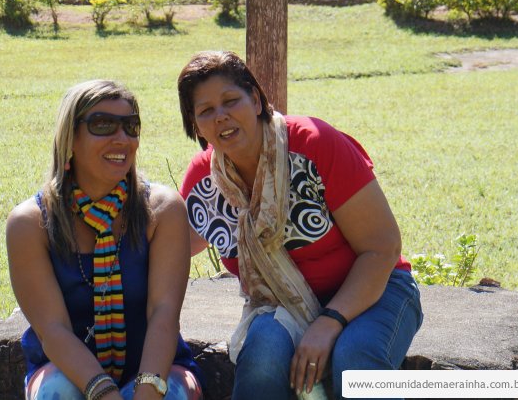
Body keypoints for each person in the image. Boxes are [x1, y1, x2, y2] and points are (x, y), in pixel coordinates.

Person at [177, 51, 422, 400]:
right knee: (262, 358)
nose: (221, 116)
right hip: (280, 305)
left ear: (256, 100)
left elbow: (382, 247)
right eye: (206, 110)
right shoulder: (205, 183)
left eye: (231, 101)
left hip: (376, 289)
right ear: (195, 124)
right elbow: (169, 250)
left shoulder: (314, 145)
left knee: (354, 360)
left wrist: (330, 320)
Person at [7, 79, 203, 400]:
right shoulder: (30, 223)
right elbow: (53, 331)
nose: (122, 138)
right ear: (70, 138)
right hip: (67, 371)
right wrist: (105, 393)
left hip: (154, 371)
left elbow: (164, 314)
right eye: (103, 125)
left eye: (130, 126)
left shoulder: (162, 210)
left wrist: (147, 391)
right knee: (55, 392)